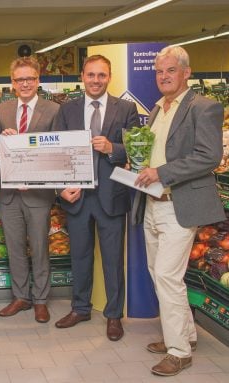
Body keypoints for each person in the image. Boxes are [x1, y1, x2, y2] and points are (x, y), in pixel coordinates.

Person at [133, 46, 224, 376]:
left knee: (169, 277)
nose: (163, 77)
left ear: (186, 72)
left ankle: (179, 351)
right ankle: (185, 333)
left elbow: (208, 157)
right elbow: (158, 152)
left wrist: (162, 172)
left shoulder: (205, 107)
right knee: (160, 273)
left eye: (170, 70)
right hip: (152, 202)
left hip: (179, 204)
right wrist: (141, 166)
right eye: (159, 72)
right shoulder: (158, 110)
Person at [53, 55, 139, 341]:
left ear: (109, 77)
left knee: (113, 260)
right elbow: (57, 152)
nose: (96, 80)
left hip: (111, 196)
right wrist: (60, 188)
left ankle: (113, 316)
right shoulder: (67, 110)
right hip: (76, 197)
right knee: (79, 256)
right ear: (82, 76)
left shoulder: (126, 108)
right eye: (91, 75)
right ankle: (80, 308)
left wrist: (112, 147)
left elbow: (136, 149)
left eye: (102, 75)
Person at [0, 57, 59, 323]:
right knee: (15, 248)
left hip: (38, 195)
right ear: (13, 83)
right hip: (10, 195)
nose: (25, 84)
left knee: (40, 248)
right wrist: (3, 140)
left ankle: (41, 300)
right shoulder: (3, 109)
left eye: (30, 79)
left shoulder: (53, 110)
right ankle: (21, 297)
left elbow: (58, 152)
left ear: (38, 80)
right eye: (20, 79)